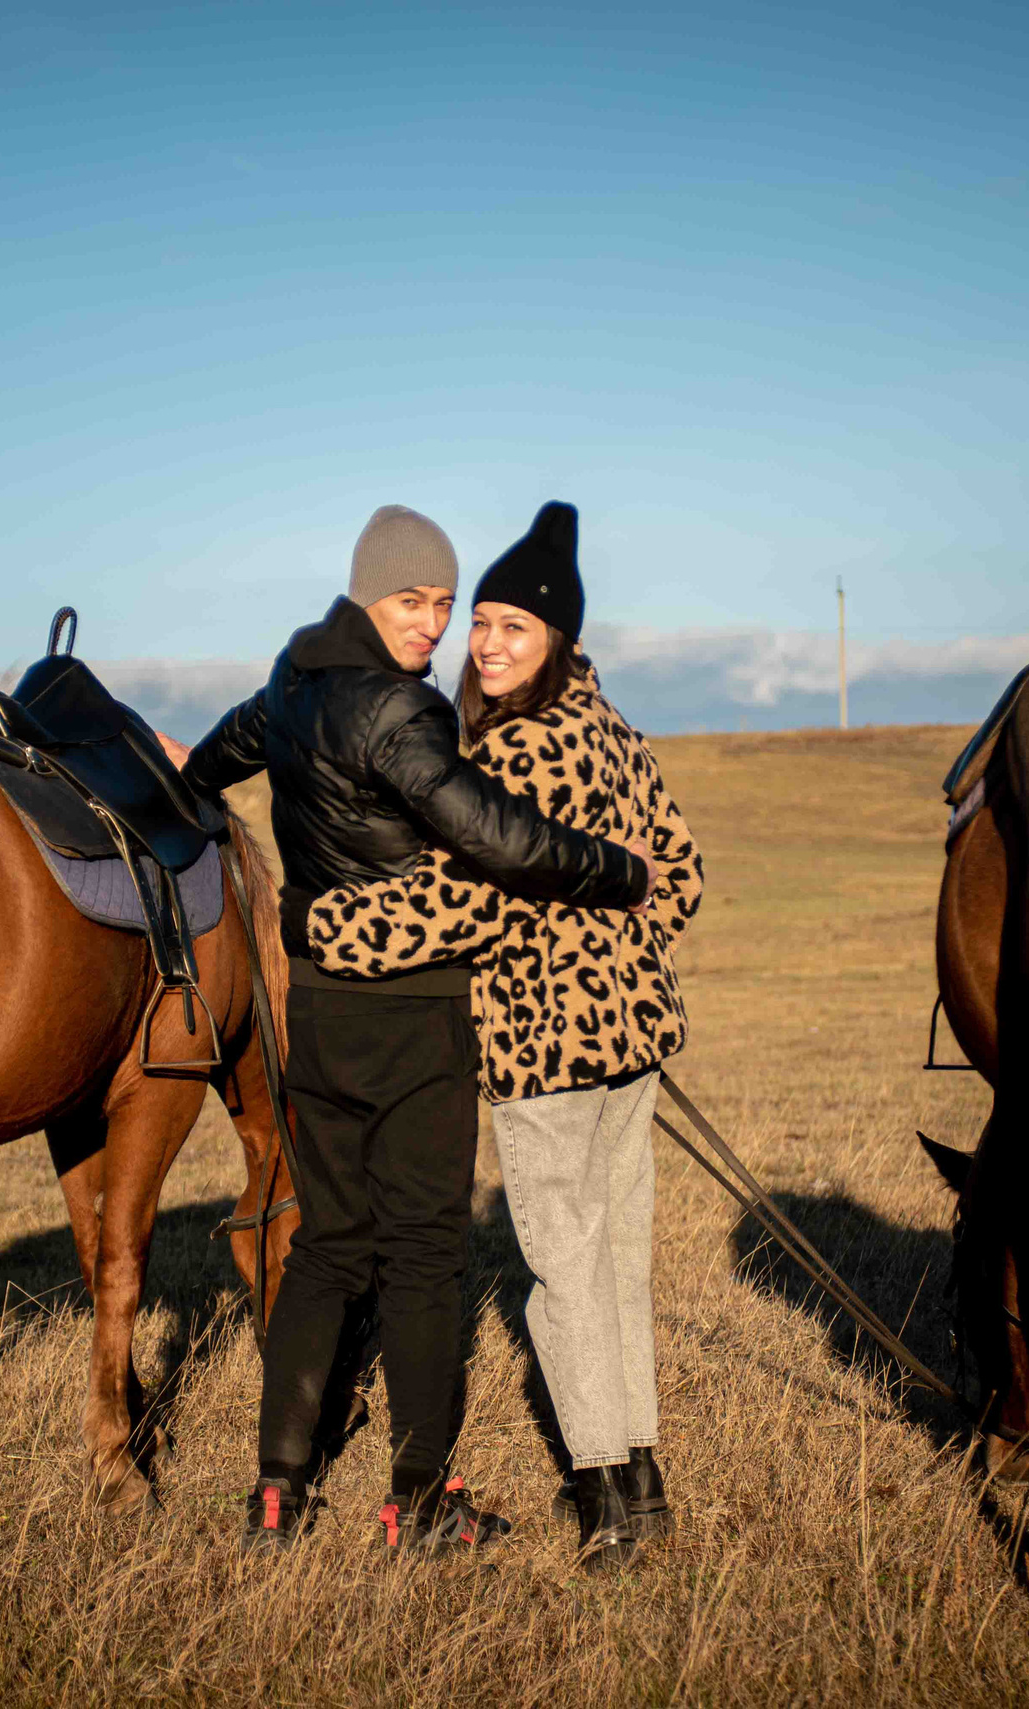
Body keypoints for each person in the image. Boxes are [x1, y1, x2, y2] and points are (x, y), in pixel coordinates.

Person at [167, 503, 652, 1556]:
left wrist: (187, 789)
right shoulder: (402, 708)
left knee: (327, 1246)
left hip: (316, 1005)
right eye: (411, 600)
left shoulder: (290, 679)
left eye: (443, 602)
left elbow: (214, 758)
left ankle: (277, 1494)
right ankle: (421, 1500)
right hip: (415, 1006)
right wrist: (617, 870)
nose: (433, 624)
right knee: (426, 1254)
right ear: (366, 592)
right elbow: (496, 835)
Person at [302, 501, 704, 1571]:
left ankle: (604, 1497)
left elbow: (458, 904)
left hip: (544, 1049)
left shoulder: (514, 751)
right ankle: (643, 1482)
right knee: (616, 1263)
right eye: (478, 621)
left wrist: (326, 925)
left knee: (567, 1275)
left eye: (511, 627)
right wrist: (623, 945)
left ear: (557, 638)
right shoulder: (617, 732)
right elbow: (680, 870)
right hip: (633, 1044)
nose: (483, 642)